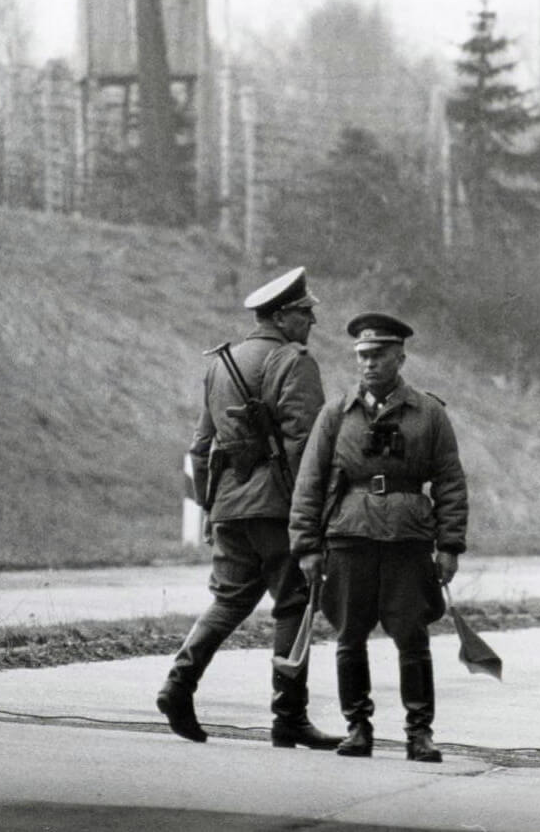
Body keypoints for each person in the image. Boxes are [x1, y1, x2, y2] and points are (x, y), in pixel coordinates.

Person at [156, 266, 341, 750]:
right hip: (281, 509)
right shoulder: (295, 362)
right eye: (305, 313)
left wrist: (211, 509)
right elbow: (308, 447)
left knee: (228, 602)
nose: (312, 323)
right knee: (294, 605)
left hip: (230, 508)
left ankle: (178, 685)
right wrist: (316, 515)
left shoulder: (222, 364)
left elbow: (200, 448)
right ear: (283, 317)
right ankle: (289, 718)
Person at [289, 312, 468, 763]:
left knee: (412, 637)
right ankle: (358, 727)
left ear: (400, 358)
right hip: (349, 538)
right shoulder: (335, 414)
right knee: (350, 636)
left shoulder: (429, 414)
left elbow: (449, 482)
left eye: (379, 355)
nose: (369, 363)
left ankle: (419, 732)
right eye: (362, 355)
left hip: (408, 541)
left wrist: (449, 545)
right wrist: (306, 546)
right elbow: (309, 483)